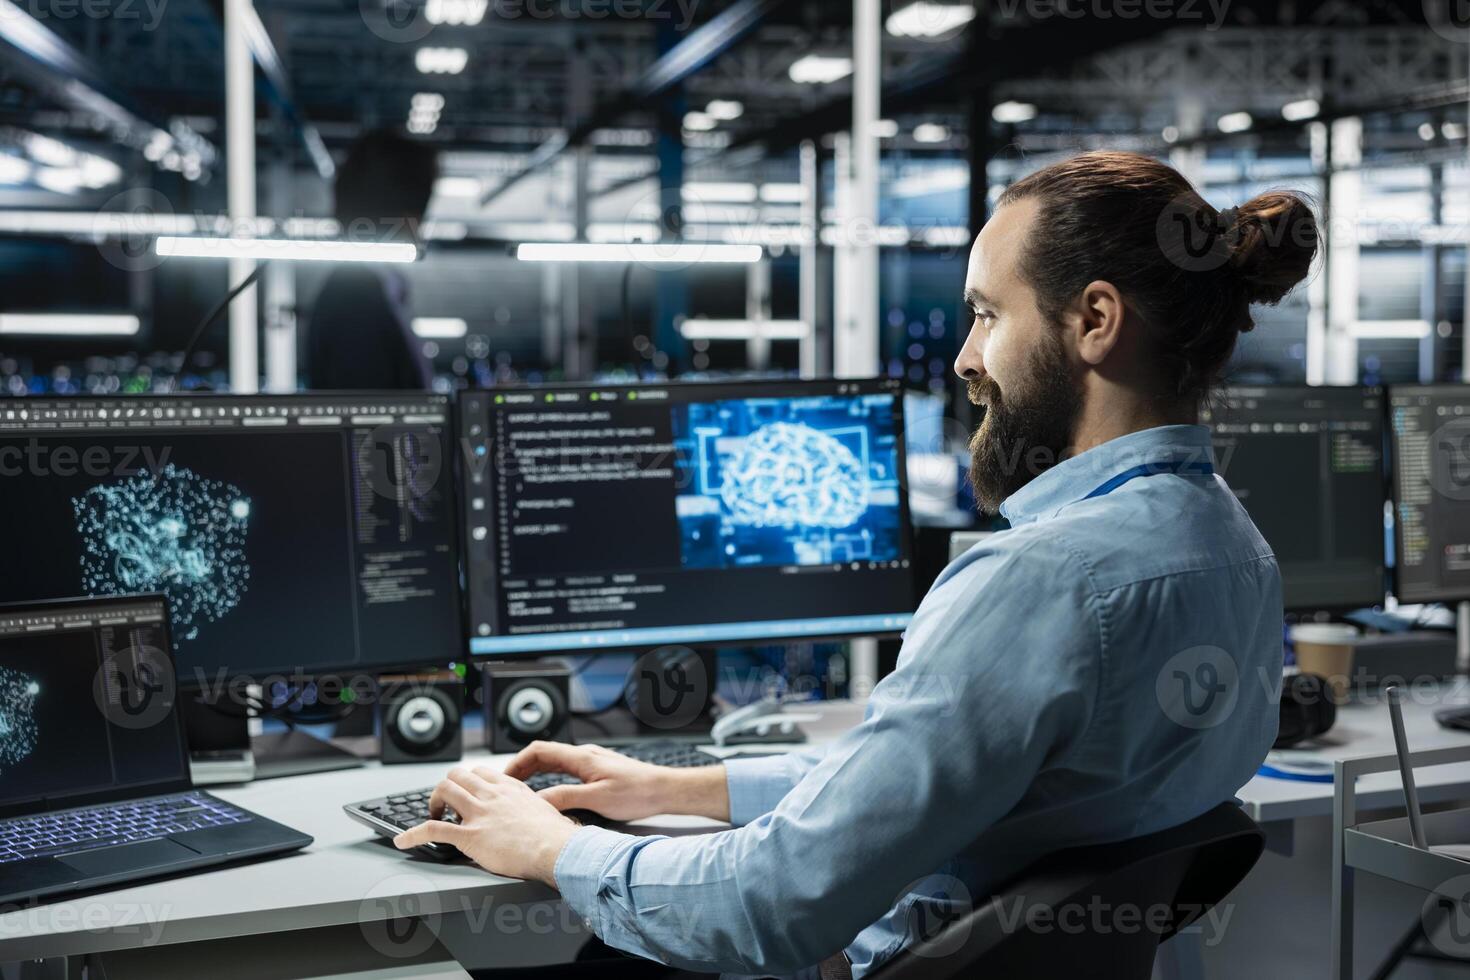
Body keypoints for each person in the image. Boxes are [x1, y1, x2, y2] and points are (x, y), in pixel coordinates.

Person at [393, 151, 1318, 978]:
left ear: (1095, 321)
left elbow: (767, 909)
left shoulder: (1040, 582)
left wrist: (550, 847)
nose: (965, 358)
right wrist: (677, 789)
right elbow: (955, 794)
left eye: (989, 316)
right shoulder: (1238, 553)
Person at [306, 130, 437, 390]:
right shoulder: (354, 301)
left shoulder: (373, 289)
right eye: (421, 210)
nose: (423, 224)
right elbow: (367, 420)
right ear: (404, 212)